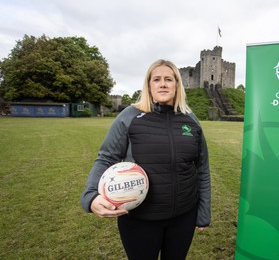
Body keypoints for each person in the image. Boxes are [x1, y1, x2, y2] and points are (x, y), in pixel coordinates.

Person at [80, 59, 211, 260]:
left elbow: (202, 168)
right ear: (148, 85)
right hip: (140, 220)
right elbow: (107, 157)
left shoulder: (190, 120)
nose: (163, 84)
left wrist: (203, 212)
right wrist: (90, 195)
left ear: (177, 84)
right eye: (156, 79)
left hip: (183, 218)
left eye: (169, 79)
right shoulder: (129, 116)